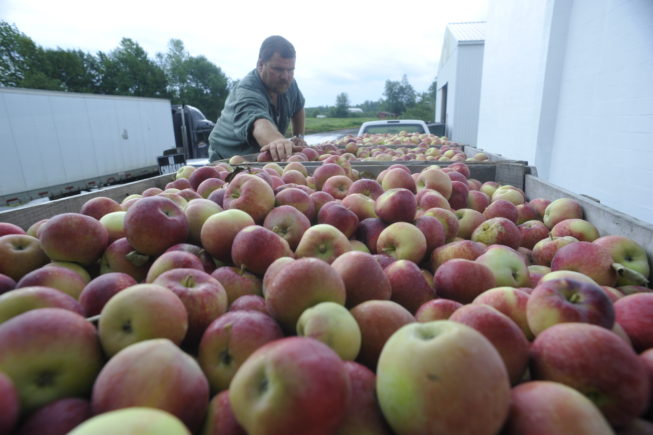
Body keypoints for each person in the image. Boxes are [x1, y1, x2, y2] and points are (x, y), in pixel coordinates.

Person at [208, 35, 306, 162]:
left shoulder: (289, 84)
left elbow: (298, 106)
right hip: (228, 159)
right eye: (278, 69)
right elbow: (258, 121)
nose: (285, 77)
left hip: (260, 159)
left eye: (290, 70)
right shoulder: (247, 88)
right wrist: (276, 140)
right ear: (260, 64)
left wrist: (298, 136)